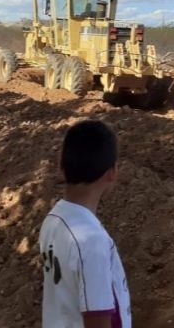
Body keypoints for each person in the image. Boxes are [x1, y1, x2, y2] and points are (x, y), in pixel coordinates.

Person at [39, 120, 131, 328]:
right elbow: (97, 319)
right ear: (112, 173)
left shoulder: (53, 220)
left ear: (61, 168)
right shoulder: (92, 241)